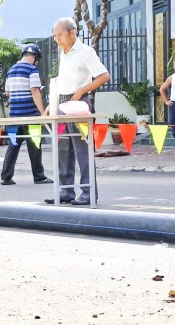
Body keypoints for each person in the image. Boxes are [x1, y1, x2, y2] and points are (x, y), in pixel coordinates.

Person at [44, 17, 110, 206]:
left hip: (79, 103)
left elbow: (104, 75)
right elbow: (63, 79)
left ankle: (88, 193)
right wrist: (52, 103)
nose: (57, 39)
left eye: (60, 35)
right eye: (55, 35)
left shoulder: (85, 52)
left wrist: (82, 91)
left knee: (83, 151)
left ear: (73, 33)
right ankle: (66, 191)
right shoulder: (64, 52)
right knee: (63, 149)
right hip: (63, 103)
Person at [0, 44, 53, 186]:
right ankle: (39, 176)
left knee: (13, 145)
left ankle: (6, 177)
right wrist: (42, 114)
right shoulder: (31, 69)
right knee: (34, 146)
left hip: (14, 115)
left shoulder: (11, 70)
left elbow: (7, 93)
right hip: (30, 114)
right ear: (34, 57)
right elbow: (35, 91)